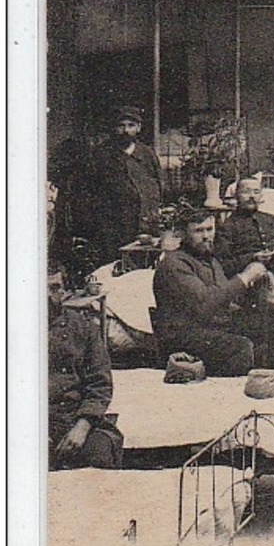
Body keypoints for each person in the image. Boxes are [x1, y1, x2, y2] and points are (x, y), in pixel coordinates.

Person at [152, 207, 274, 376]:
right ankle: (245, 386)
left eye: (209, 229)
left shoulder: (209, 259)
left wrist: (261, 292)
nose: (206, 236)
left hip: (214, 326)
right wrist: (245, 276)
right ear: (182, 234)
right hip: (185, 335)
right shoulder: (174, 264)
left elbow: (227, 299)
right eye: (198, 231)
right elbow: (205, 304)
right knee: (241, 346)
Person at [48, 262, 123, 470]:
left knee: (99, 456)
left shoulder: (84, 328)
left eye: (54, 288)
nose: (46, 296)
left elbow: (100, 385)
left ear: (63, 291)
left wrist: (82, 427)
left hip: (77, 418)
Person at [215, 177, 274, 306]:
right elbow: (223, 264)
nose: (252, 197)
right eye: (246, 192)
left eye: (256, 192)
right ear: (236, 195)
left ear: (261, 196)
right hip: (253, 282)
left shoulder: (272, 220)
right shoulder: (227, 227)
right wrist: (253, 258)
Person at [87, 105, 163, 265]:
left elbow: (158, 184)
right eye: (121, 126)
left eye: (131, 125)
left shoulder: (147, 154)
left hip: (145, 224)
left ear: (139, 128)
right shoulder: (101, 155)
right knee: (116, 266)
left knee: (146, 265)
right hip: (115, 226)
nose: (126, 130)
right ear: (114, 128)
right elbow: (91, 191)